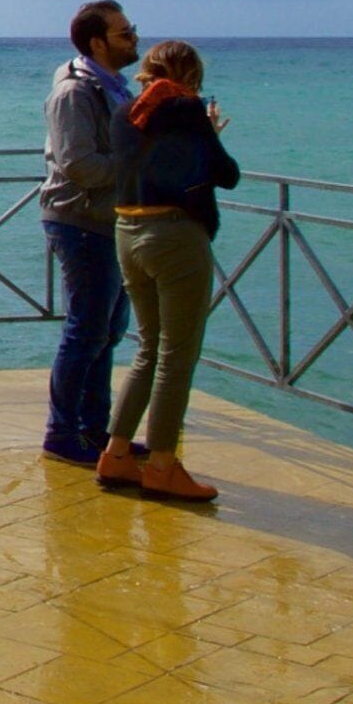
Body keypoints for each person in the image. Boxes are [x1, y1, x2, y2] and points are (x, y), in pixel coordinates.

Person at [101, 39, 241, 503]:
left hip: (128, 231)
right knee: (177, 355)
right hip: (175, 235)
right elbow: (225, 174)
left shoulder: (124, 112)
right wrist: (212, 132)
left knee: (148, 350)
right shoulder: (186, 108)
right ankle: (162, 465)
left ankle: (116, 453)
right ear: (189, 73)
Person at [38, 0, 138, 469]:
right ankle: (61, 433)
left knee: (108, 331)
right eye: (124, 33)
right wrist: (141, 163)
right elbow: (78, 164)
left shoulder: (114, 87)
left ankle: (94, 430)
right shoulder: (75, 94)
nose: (134, 38)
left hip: (112, 219)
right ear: (97, 42)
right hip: (81, 220)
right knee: (86, 330)